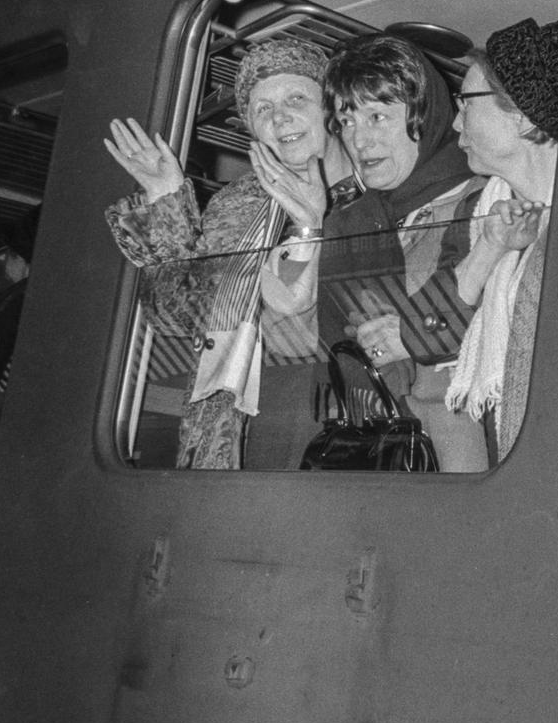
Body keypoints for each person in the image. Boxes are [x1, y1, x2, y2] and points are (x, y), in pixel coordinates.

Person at [103, 36, 339, 469]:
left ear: (330, 108)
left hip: (324, 407)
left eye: (297, 98)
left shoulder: (366, 183)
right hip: (225, 417)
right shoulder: (236, 203)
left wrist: (310, 226)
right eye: (262, 108)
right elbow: (174, 315)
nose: (280, 116)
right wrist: (166, 200)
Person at [261, 32, 485, 471]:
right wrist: (308, 229)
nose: (360, 140)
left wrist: (407, 335)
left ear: (425, 114)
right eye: (347, 122)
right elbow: (289, 343)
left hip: (459, 452)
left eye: (378, 117)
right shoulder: (347, 221)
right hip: (370, 453)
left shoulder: (479, 200)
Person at [440, 15, 558, 462]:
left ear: (518, 114)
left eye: (467, 104)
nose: (456, 125)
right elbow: (433, 329)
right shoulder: (484, 212)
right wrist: (491, 246)